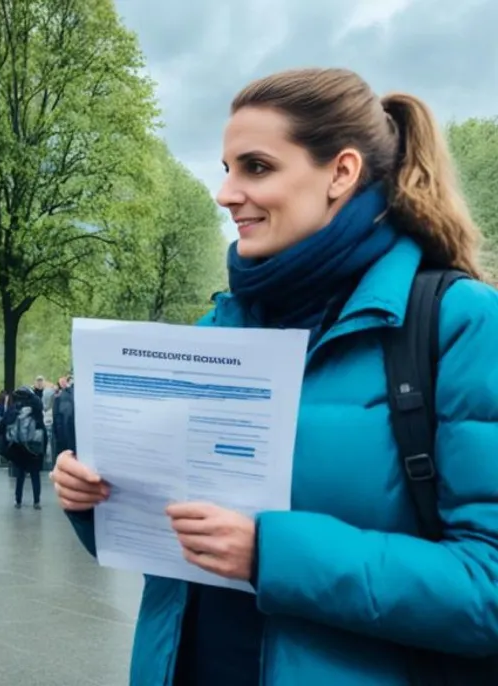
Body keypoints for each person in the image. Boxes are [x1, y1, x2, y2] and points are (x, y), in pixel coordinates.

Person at [53, 67, 498, 685]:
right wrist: (98, 500)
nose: (226, 192)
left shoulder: (461, 322)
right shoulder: (217, 326)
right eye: (227, 168)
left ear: (340, 173)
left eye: (255, 167)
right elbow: (171, 548)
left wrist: (270, 554)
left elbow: (486, 588)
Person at [0, 386, 46, 510]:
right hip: (34, 448)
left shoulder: (13, 409)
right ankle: (36, 501)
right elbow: (42, 430)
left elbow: (2, 428)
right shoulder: (36, 411)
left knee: (20, 475)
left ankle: (18, 500)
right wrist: (43, 450)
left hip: (18, 448)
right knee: (35, 475)